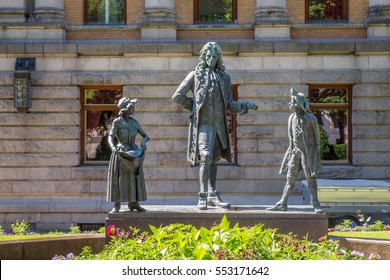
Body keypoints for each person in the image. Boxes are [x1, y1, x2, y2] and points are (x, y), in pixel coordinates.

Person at [172, 42, 257, 210]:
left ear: (218, 59)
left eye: (214, 57)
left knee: (214, 160)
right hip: (204, 125)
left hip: (219, 126)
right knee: (205, 156)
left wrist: (244, 105)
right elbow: (177, 96)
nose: (211, 59)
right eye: (208, 56)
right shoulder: (195, 75)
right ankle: (202, 196)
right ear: (203, 57)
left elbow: (229, 104)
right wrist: (194, 107)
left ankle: (212, 194)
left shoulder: (224, 78)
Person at [267, 89, 322, 213]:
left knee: (310, 178)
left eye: (291, 101)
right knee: (290, 178)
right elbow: (291, 138)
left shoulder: (311, 118)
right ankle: (283, 203)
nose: (289, 104)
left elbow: (317, 137)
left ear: (297, 103)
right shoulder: (291, 118)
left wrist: (317, 155)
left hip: (307, 152)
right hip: (295, 152)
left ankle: (316, 203)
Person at [107, 97, 150, 212]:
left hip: (134, 151)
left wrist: (143, 143)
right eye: (131, 107)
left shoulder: (134, 122)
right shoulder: (117, 122)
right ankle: (117, 204)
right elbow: (110, 136)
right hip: (121, 153)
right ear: (125, 109)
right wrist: (113, 147)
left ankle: (134, 203)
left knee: (133, 177)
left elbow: (146, 136)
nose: (133, 109)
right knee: (119, 179)